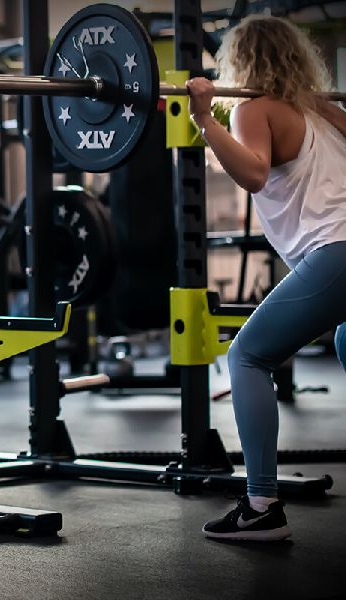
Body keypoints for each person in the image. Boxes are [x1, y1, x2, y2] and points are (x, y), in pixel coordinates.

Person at [184, 14, 346, 542]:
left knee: (248, 357)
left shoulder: (253, 108)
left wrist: (205, 119)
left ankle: (261, 506)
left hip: (336, 252)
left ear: (241, 60)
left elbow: (253, 172)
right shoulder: (327, 112)